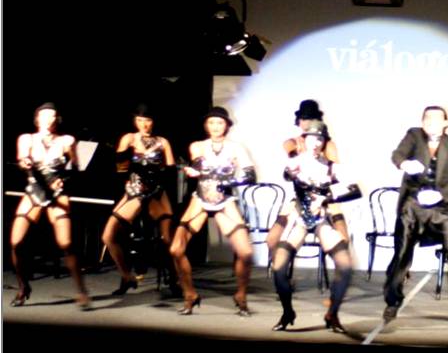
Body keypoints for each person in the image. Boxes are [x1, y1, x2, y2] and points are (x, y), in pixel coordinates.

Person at [382, 106, 448, 324]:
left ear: (445, 123)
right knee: (402, 254)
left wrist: (441, 194)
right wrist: (404, 163)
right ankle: (392, 302)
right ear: (422, 122)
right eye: (427, 119)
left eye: (436, 119)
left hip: (438, 206)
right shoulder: (414, 135)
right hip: (412, 204)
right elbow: (397, 155)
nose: (431, 122)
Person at [270, 121, 362, 333]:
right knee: (279, 267)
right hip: (299, 218)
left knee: (345, 265)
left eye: (320, 139)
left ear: (324, 142)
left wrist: (326, 198)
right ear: (304, 140)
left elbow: (355, 190)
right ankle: (287, 312)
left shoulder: (331, 167)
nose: (316, 143)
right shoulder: (296, 161)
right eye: (312, 138)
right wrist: (292, 170)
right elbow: (287, 174)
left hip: (321, 219)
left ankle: (332, 314)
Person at [169, 107, 256, 316]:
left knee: (245, 252)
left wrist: (226, 181)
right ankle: (190, 294)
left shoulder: (236, 148)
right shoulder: (197, 145)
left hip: (224, 201)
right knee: (176, 249)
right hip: (200, 199)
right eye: (211, 122)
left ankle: (241, 295)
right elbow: (199, 165)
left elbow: (250, 176)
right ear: (206, 125)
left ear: (227, 125)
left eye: (220, 123)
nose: (215, 127)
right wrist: (195, 171)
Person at [10, 102, 91, 310]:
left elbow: (76, 168)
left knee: (66, 242)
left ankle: (81, 290)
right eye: (45, 115)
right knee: (16, 242)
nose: (49, 119)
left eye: (53, 116)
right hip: (35, 191)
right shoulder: (27, 138)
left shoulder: (66, 140)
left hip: (57, 193)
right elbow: (22, 159)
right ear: (37, 118)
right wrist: (25, 163)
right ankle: (23, 286)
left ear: (58, 119)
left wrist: (64, 179)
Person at [102, 104, 178, 296]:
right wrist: (128, 153)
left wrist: (156, 182)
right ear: (135, 121)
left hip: (156, 192)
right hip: (135, 191)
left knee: (168, 238)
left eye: (148, 120)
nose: (144, 124)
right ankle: (127, 276)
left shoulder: (163, 142)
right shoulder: (129, 138)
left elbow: (170, 171)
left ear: (154, 121)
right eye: (140, 120)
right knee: (108, 236)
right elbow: (120, 168)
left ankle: (174, 280)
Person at [266, 100, 349, 271]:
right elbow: (289, 152)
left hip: (325, 198)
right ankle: (280, 273)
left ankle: (340, 277)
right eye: (304, 119)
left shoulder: (327, 144)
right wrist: (297, 158)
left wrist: (323, 195)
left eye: (311, 119)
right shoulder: (294, 142)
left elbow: (335, 175)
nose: (306, 122)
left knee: (343, 238)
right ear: (298, 121)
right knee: (272, 238)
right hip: (299, 198)